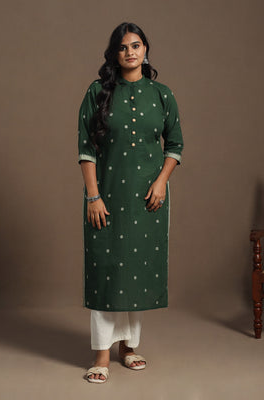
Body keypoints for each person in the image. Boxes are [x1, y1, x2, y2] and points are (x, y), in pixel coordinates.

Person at [78, 22, 184, 383]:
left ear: (145, 50)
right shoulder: (97, 92)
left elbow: (175, 144)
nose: (130, 52)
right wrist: (93, 195)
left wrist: (161, 182)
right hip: (107, 195)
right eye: (123, 47)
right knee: (106, 271)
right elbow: (86, 148)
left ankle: (128, 347)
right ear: (114, 54)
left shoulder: (162, 94)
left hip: (147, 197)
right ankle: (101, 355)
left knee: (135, 271)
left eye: (136, 45)